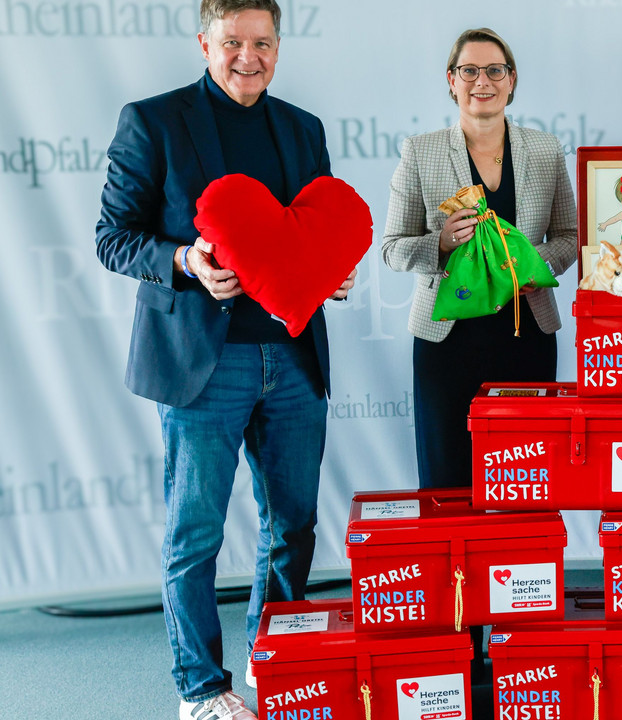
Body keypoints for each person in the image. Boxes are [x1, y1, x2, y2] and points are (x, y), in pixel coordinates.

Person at [95, 1, 355, 718]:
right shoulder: (152, 121)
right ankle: (202, 688)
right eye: (233, 42)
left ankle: (281, 668)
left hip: (294, 362)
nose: (250, 56)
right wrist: (183, 258)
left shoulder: (303, 129)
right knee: (196, 532)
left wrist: (331, 273)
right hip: (203, 366)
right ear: (204, 42)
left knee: (292, 526)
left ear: (279, 44)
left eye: (263, 42)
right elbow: (113, 237)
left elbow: (309, 234)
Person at [382, 28, 576, 491]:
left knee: (525, 480)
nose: (481, 81)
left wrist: (532, 265)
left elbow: (569, 237)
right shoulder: (420, 151)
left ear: (511, 81)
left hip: (525, 333)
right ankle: (456, 566)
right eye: (469, 70)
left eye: (495, 70)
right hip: (446, 343)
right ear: (451, 80)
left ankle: (523, 565)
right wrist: (440, 244)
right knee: (448, 481)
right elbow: (392, 247)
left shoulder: (546, 150)